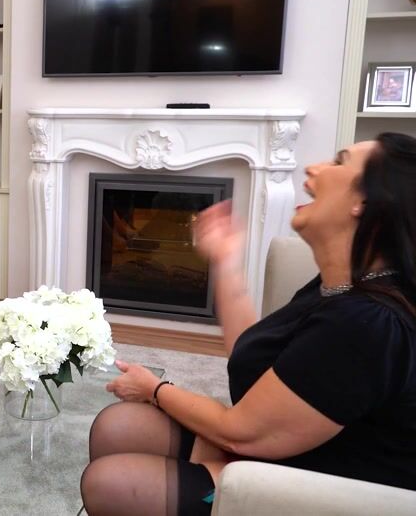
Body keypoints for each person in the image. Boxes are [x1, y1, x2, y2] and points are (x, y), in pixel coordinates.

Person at [80, 132, 416, 515]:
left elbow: (240, 434)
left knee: (109, 484)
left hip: (324, 486)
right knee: (118, 426)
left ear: (366, 202)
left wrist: (154, 388)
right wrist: (225, 261)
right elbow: (261, 360)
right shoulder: (344, 287)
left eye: (339, 162)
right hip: (287, 447)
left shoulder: (367, 321)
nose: (313, 168)